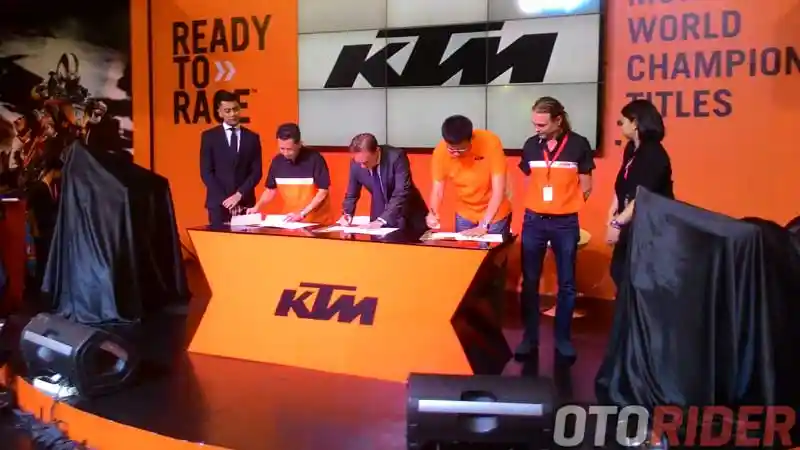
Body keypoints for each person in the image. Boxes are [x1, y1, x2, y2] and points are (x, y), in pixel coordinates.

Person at [516, 97, 595, 360]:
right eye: (534, 123)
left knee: (567, 283)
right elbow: (529, 179)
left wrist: (566, 205)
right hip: (534, 221)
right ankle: (529, 339)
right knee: (529, 281)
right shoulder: (530, 145)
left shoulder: (578, 144)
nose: (536, 128)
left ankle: (563, 339)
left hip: (565, 222)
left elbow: (586, 185)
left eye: (541, 124)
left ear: (558, 120)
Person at [607, 99, 673, 288]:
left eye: (622, 122)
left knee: (636, 278)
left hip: (649, 227)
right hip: (629, 222)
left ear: (635, 123)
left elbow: (643, 195)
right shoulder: (631, 149)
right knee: (618, 271)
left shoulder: (654, 154)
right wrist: (612, 213)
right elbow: (622, 184)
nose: (620, 126)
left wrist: (617, 223)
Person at [426, 115, 511, 236]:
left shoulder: (490, 142)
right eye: (451, 150)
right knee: (464, 247)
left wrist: (484, 225)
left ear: (471, 139)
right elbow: (437, 190)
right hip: (465, 212)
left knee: (493, 247)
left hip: (495, 212)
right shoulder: (440, 153)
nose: (456, 154)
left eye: (461, 150)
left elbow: (499, 191)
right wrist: (432, 213)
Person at [337, 133, 427, 232]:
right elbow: (352, 193)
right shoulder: (356, 163)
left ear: (377, 151)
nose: (362, 166)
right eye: (359, 162)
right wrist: (347, 214)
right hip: (379, 212)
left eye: (365, 162)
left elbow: (401, 192)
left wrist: (382, 220)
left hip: (407, 214)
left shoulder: (396, 157)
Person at [246, 123, 333, 223]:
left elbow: (323, 192)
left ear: (299, 144)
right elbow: (270, 190)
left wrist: (302, 213)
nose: (285, 153)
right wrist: (257, 207)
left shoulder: (315, 159)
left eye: (289, 149)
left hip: (317, 221)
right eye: (282, 149)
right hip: (291, 220)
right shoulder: (277, 162)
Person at [200, 91, 263, 226]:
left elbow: (256, 172)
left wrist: (239, 195)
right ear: (219, 112)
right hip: (218, 205)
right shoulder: (209, 137)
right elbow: (206, 173)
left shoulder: (252, 138)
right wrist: (228, 201)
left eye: (235, 109)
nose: (233, 114)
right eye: (227, 111)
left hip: (245, 203)